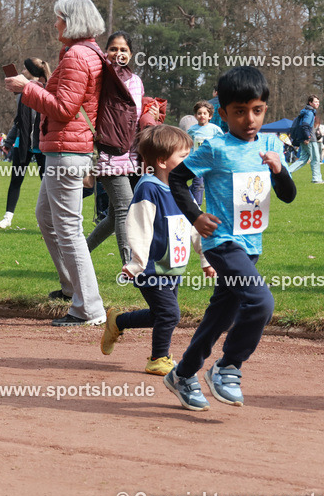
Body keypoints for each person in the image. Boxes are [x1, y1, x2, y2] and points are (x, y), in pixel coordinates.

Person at [163, 66, 297, 411]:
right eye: (239, 111)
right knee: (261, 303)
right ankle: (227, 367)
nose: (249, 119)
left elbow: (288, 195)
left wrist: (279, 170)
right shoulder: (215, 147)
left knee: (220, 317)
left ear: (265, 108)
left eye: (256, 110)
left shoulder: (270, 145)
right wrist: (196, 216)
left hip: (251, 246)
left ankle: (182, 374)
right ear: (222, 114)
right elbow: (177, 179)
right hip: (222, 243)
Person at [4, 0, 108, 327]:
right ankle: (71, 287)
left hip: (67, 151)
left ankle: (87, 308)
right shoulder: (83, 52)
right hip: (64, 149)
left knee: (68, 229)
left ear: (73, 20)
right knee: (45, 216)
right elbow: (66, 100)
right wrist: (33, 87)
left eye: (59, 17)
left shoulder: (78, 55)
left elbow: (64, 109)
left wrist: (27, 90)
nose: (55, 23)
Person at [100, 125, 215, 375]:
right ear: (162, 161)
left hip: (174, 267)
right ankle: (158, 359)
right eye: (184, 156)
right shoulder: (148, 188)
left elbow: (195, 225)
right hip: (150, 268)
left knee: (159, 315)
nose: (190, 160)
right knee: (170, 313)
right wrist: (137, 264)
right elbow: (138, 227)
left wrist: (205, 258)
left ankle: (117, 321)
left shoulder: (182, 189)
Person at [86, 31, 144, 265]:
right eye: (113, 49)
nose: (118, 53)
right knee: (125, 208)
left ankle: (78, 256)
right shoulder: (99, 78)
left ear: (130, 54)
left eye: (123, 50)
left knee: (113, 216)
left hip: (130, 155)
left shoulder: (135, 81)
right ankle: (129, 266)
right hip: (106, 152)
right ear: (105, 51)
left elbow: (137, 118)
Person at [0, 58, 50, 229]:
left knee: (46, 183)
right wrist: (9, 142)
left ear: (31, 72)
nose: (22, 71)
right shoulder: (21, 94)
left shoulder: (47, 90)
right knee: (16, 180)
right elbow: (19, 121)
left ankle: (50, 220)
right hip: (22, 143)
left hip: (42, 144)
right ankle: (7, 217)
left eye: (25, 69)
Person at [187, 101, 224, 203]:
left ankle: (213, 201)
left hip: (211, 162)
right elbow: (188, 144)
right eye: (199, 113)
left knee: (210, 184)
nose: (202, 115)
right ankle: (197, 204)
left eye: (205, 113)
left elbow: (221, 142)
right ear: (195, 116)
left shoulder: (215, 129)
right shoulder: (192, 130)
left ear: (210, 116)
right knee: (198, 184)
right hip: (197, 162)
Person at [288, 95, 324, 184]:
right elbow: (305, 126)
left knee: (303, 159)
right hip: (310, 139)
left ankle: (286, 172)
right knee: (316, 159)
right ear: (310, 103)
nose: (317, 104)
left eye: (318, 102)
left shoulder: (306, 112)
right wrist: (307, 137)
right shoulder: (309, 113)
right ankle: (316, 178)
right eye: (315, 102)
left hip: (305, 138)